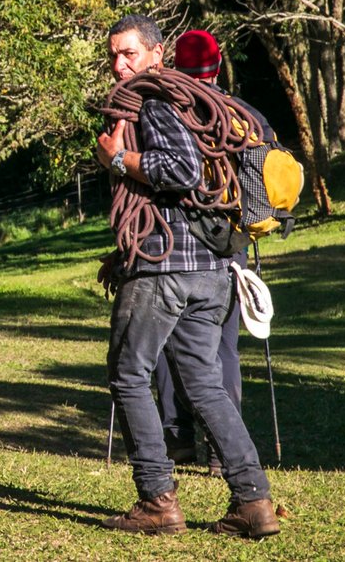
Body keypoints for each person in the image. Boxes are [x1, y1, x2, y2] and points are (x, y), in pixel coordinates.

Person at [96, 14, 279, 538]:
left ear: (157, 55)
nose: (119, 64)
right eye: (113, 55)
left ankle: (157, 499)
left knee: (129, 374)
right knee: (204, 384)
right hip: (213, 268)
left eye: (130, 53)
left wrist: (117, 160)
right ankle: (253, 502)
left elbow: (180, 171)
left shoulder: (156, 102)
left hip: (165, 269)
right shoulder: (200, 103)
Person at [154, 29, 243, 472]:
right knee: (224, 344)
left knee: (169, 340)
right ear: (219, 64)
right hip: (229, 239)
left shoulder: (167, 107)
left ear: (172, 62)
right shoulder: (237, 112)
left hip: (177, 240)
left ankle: (179, 438)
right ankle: (224, 448)